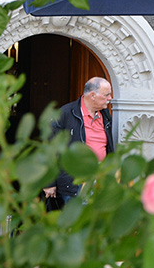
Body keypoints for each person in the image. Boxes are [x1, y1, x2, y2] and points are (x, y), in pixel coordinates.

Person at [43, 77, 114, 208]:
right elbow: (49, 149)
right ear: (93, 95)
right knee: (75, 224)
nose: (110, 98)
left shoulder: (105, 114)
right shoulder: (65, 114)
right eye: (107, 95)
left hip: (100, 179)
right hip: (75, 181)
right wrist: (49, 182)